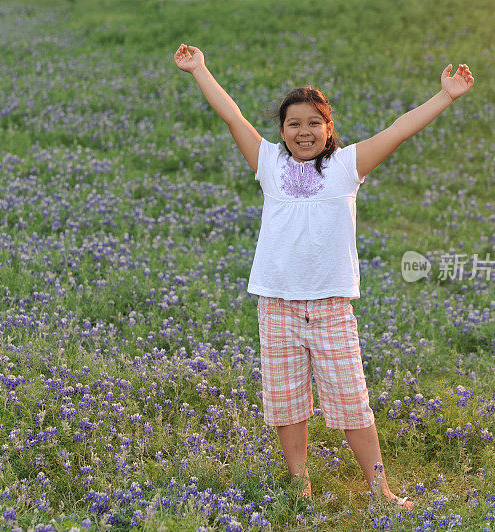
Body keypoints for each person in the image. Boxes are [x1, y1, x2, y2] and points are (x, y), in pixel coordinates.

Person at [174, 43, 474, 510]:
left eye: (314, 122)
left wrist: (446, 96)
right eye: (293, 123)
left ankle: (380, 488)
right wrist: (200, 70)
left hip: (331, 305)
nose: (304, 131)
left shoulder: (344, 167)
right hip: (277, 303)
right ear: (281, 131)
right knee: (287, 402)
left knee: (352, 401)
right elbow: (233, 116)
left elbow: (398, 130)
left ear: (328, 128)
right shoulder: (269, 165)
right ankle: (299, 482)